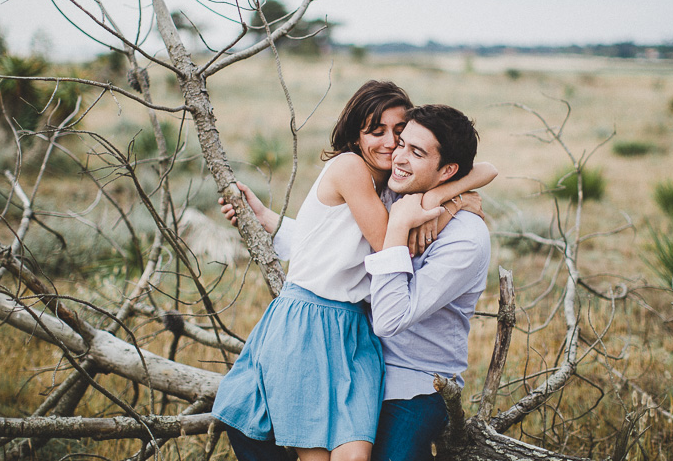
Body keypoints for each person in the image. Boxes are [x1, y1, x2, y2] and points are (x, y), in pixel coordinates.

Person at [211, 82, 495, 461]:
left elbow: (340, 245)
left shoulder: (398, 191)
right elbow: (385, 247)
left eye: (402, 135)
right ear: (355, 137)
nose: (393, 146)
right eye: (377, 133)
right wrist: (441, 203)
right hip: (313, 323)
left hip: (360, 339)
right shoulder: (359, 172)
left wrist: (445, 196)